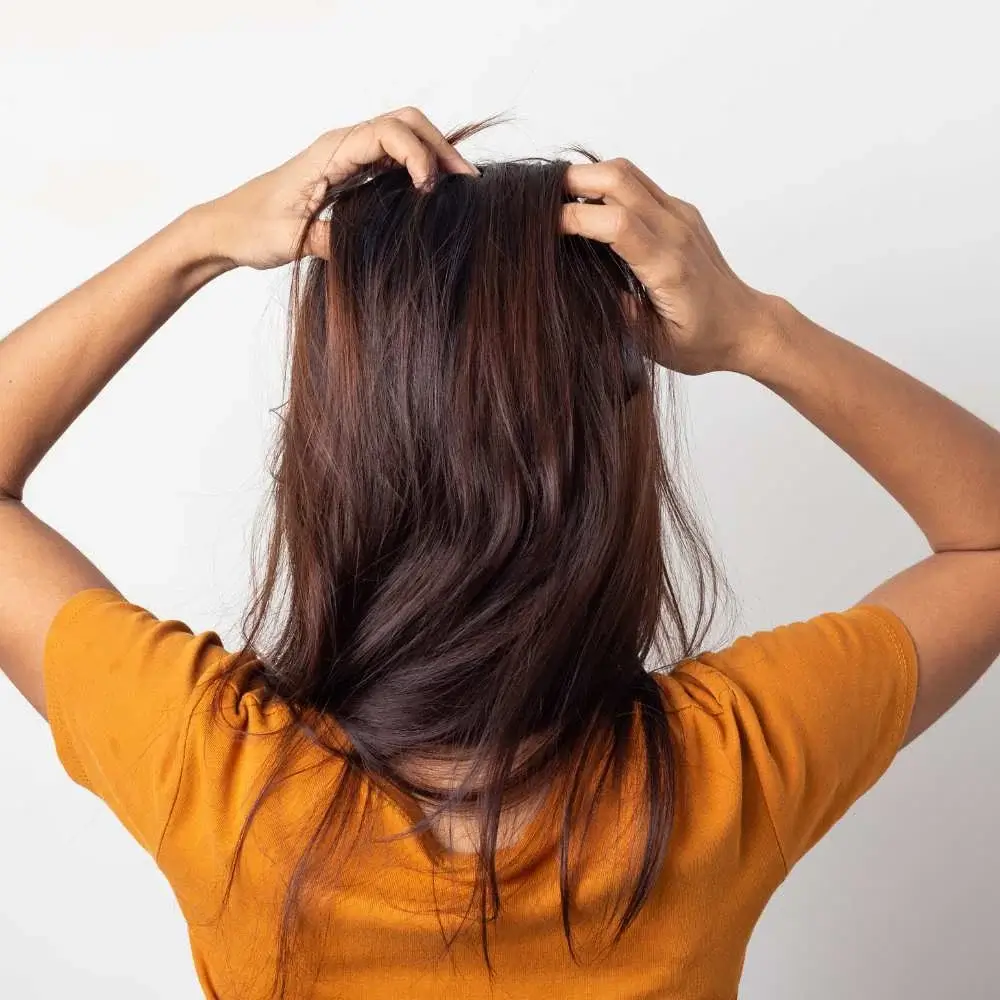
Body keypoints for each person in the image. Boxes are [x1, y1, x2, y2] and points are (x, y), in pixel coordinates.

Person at [1, 106, 998, 999]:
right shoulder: (719, 772)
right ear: (606, 451)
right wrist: (754, 332)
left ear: (333, 446)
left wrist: (199, 242)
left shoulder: (218, 776)